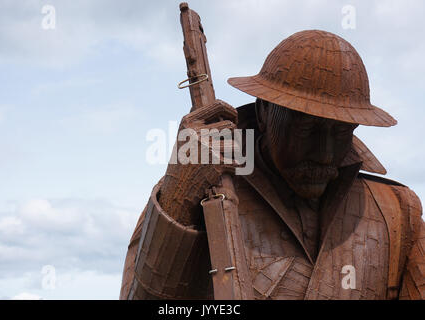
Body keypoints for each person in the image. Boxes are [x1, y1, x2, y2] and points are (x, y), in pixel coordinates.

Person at [120, 30, 424, 300]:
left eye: (342, 131)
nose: (325, 153)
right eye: (307, 129)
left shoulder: (397, 211)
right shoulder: (195, 193)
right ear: (264, 111)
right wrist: (179, 198)